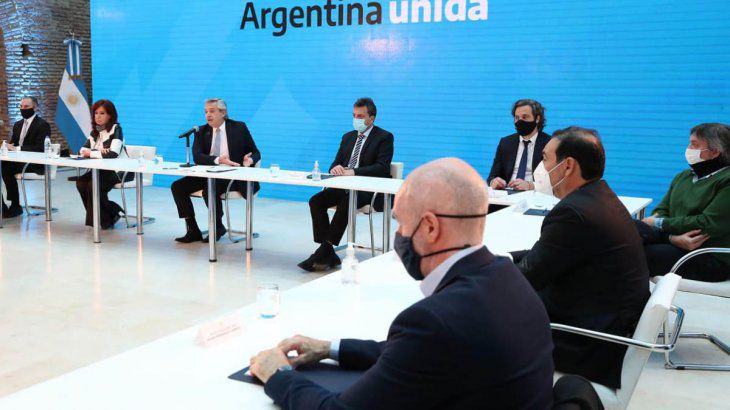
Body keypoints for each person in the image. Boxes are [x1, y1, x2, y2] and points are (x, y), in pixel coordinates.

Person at [251, 158, 555, 409]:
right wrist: (330, 348)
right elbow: (417, 352)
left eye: (401, 223)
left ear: (430, 227)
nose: (398, 236)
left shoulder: (433, 321)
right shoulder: (507, 276)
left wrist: (278, 374)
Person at [512, 126, 650, 389]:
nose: (540, 167)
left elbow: (527, 278)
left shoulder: (573, 213)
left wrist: (482, 269)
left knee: (476, 319)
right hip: (605, 325)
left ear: (567, 166)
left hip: (584, 343)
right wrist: (505, 258)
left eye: (545, 158)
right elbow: (549, 256)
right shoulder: (599, 197)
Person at [298, 97, 394, 272]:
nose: (356, 119)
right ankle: (326, 250)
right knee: (316, 201)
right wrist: (335, 168)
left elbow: (382, 167)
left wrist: (354, 171)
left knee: (347, 202)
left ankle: (324, 252)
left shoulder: (384, 137)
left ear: (371, 118)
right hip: (344, 186)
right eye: (354, 115)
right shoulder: (348, 137)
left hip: (368, 190)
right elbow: (335, 162)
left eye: (360, 116)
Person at [637, 123, 730, 282]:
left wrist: (659, 223)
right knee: (630, 232)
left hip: (708, 256)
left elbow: (706, 223)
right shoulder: (684, 176)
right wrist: (672, 237)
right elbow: (661, 210)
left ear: (715, 152)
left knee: (637, 254)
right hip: (677, 243)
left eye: (694, 145)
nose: (688, 149)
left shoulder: (726, 181)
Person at [170, 98, 261, 243]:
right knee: (177, 187)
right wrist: (218, 160)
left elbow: (256, 152)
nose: (208, 115)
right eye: (206, 112)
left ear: (223, 112)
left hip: (232, 175)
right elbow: (197, 157)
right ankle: (193, 230)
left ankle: (218, 227)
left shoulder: (239, 127)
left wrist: (250, 160)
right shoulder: (201, 131)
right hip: (208, 174)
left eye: (212, 111)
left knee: (209, 189)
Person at [76, 99, 129, 229]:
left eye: (102, 113)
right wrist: (97, 152)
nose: (98, 117)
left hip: (119, 171)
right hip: (102, 170)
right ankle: (111, 212)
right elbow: (82, 150)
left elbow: (113, 154)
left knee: (93, 185)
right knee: (81, 183)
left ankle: (104, 220)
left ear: (110, 115)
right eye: (96, 113)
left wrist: (92, 153)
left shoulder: (116, 129)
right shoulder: (95, 132)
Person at [1, 96, 52, 218]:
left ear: (35, 108)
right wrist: (7, 146)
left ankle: (15, 205)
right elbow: (13, 144)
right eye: (21, 106)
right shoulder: (17, 125)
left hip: (34, 163)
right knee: (4, 165)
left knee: (6, 168)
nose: (23, 109)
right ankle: (2, 205)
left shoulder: (43, 125)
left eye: (26, 107)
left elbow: (41, 148)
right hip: (18, 162)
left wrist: (18, 148)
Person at [488, 99, 551, 191]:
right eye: (517, 118)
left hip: (534, 193)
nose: (520, 121)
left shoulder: (549, 144)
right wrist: (494, 182)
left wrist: (531, 185)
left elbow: (555, 181)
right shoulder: (505, 143)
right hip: (507, 192)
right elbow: (492, 176)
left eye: (525, 117)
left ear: (537, 119)